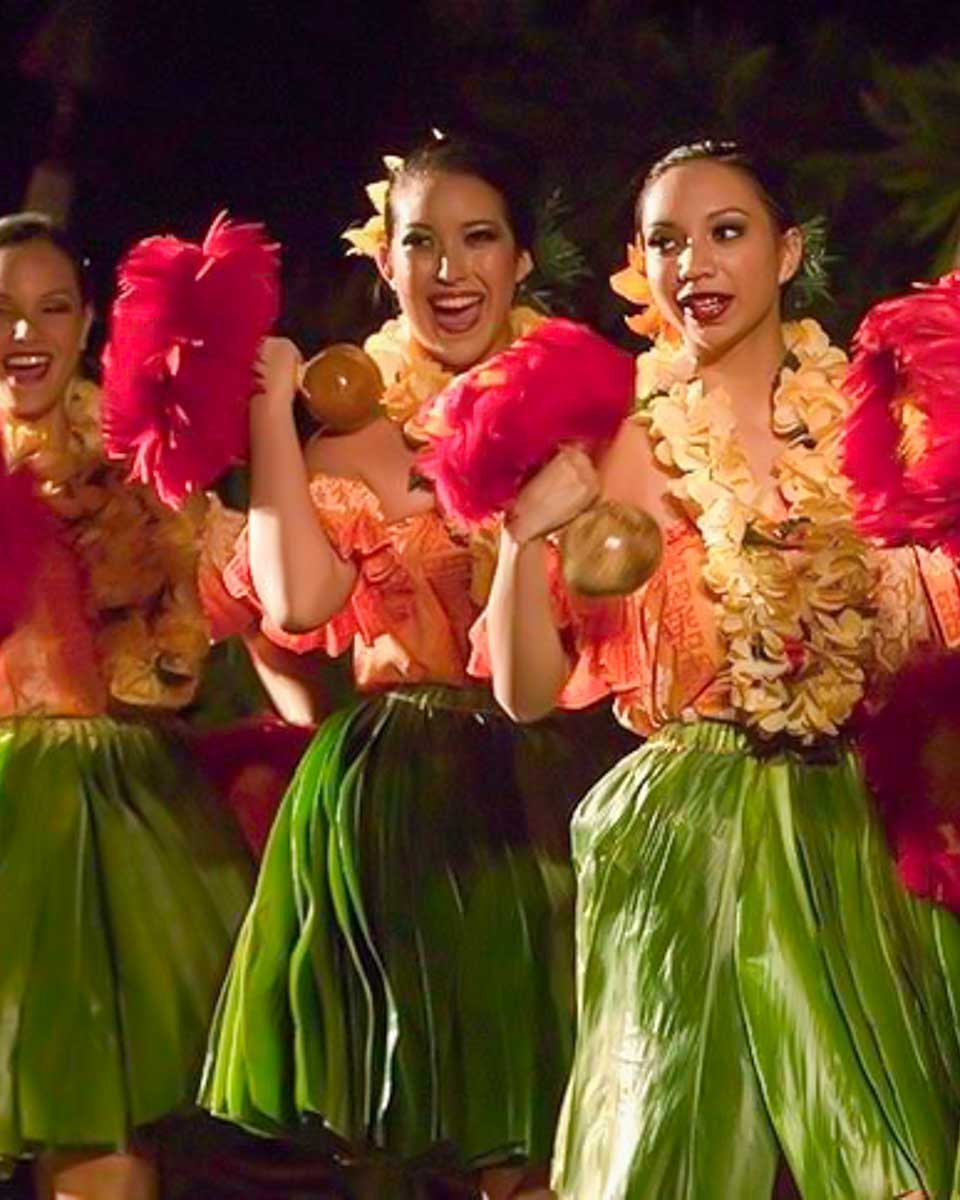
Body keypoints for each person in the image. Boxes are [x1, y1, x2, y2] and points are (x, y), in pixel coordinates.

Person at [481, 140, 960, 1200]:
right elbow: (520, 691)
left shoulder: (878, 434)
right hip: (682, 838)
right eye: (665, 241)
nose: (694, 261)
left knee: (887, 1165)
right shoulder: (613, 447)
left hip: (853, 830)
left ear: (788, 253)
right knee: (672, 1162)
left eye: (726, 232)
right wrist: (522, 543)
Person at [200, 134, 632, 1200]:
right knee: (397, 1139)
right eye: (420, 243)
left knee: (548, 1134)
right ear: (383, 261)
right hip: (395, 791)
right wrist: (270, 412)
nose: (449, 270)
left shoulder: (588, 414)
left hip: (547, 779)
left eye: (478, 239)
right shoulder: (352, 432)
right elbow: (296, 603)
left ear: (522, 261)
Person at [0, 212, 255, 1200]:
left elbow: (195, 653)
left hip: (119, 832)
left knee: (102, 1145)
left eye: (51, 307)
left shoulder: (144, 467)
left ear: (89, 319)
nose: (26, 332)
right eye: (3, 312)